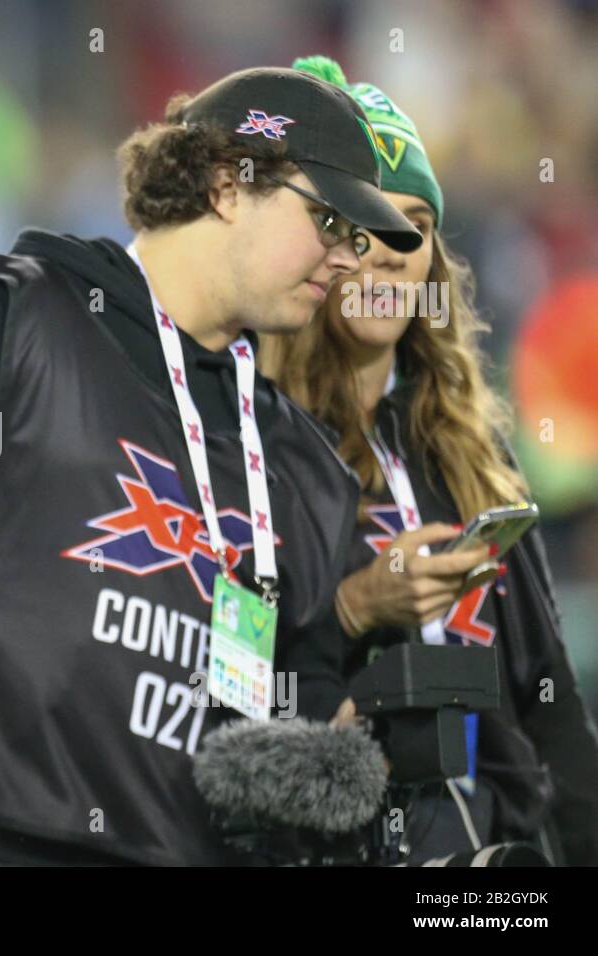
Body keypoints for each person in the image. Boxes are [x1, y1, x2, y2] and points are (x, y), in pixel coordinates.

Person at [0, 67, 422, 865]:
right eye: (328, 220)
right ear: (226, 186)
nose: (346, 260)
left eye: (356, 237)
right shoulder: (0, 324)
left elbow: (294, 694)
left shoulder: (305, 467)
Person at [260, 56, 598, 865]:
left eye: (412, 222)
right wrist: (354, 609)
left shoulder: (465, 446)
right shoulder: (247, 441)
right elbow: (218, 700)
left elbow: (549, 702)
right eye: (360, 221)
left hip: (491, 863)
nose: (387, 252)